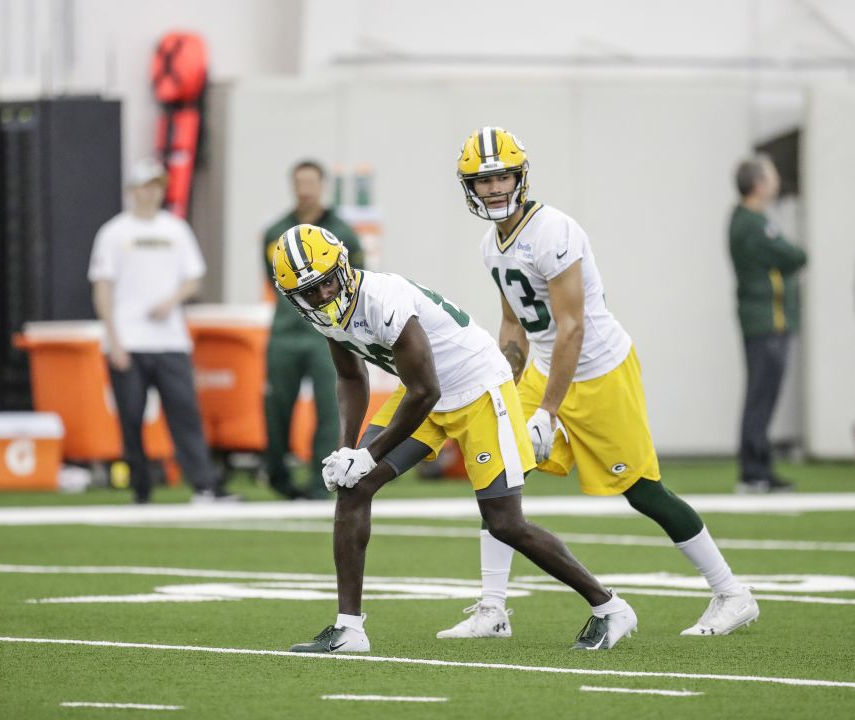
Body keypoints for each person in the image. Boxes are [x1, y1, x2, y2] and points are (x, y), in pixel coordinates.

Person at [440, 126, 758, 640]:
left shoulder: (554, 232)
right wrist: (501, 384)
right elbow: (513, 322)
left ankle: (732, 592)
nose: (494, 189)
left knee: (642, 491)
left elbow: (574, 327)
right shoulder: (490, 245)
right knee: (496, 470)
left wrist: (546, 410)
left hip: (599, 371)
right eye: (482, 181)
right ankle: (492, 608)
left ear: (519, 177)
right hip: (545, 369)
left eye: (501, 177)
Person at [270, 224, 637, 653]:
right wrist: (348, 451)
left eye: (325, 282)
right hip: (427, 391)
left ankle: (609, 608)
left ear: (344, 267)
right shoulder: (327, 312)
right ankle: (349, 629)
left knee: (504, 521)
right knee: (352, 487)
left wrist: (368, 455)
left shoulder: (383, 301)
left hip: (477, 387)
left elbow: (427, 392)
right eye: (308, 292)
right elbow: (351, 376)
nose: (321, 297)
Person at [88, 157, 231, 504]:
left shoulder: (175, 230)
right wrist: (114, 340)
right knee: (132, 416)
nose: (150, 193)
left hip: (170, 340)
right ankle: (141, 487)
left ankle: (203, 484)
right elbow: (102, 287)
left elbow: (193, 277)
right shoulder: (113, 233)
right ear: (131, 190)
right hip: (129, 340)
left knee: (185, 413)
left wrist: (172, 300)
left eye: (155, 186)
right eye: (144, 186)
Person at [261, 161, 364, 499]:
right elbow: (275, 282)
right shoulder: (274, 231)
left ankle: (320, 483)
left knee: (329, 408)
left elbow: (353, 279)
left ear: (322, 186)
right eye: (299, 182)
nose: (305, 189)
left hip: (326, 333)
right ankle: (277, 477)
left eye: (311, 182)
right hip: (286, 333)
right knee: (276, 408)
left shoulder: (342, 233)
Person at [728, 155, 806, 494]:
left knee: (764, 395)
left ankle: (760, 467)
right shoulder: (751, 223)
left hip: (770, 321)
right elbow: (794, 256)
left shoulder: (755, 221)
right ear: (758, 184)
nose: (776, 182)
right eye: (772, 176)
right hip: (765, 321)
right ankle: (754, 470)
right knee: (760, 395)